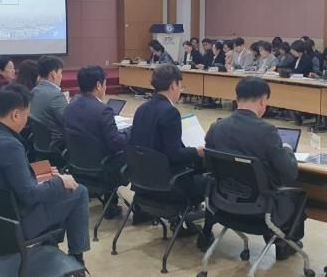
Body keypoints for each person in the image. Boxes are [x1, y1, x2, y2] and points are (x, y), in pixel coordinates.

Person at [0, 84, 92, 277]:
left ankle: (54, 249)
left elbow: (5, 175)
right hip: (16, 226)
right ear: (15, 114)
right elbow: (30, 196)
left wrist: (40, 174)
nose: (28, 120)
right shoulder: (10, 145)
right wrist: (59, 182)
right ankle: (76, 263)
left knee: (55, 187)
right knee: (78, 192)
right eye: (27, 115)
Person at [205, 77, 304, 259]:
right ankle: (283, 243)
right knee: (298, 195)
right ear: (263, 101)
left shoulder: (216, 128)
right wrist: (287, 151)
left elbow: (209, 166)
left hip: (223, 203)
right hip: (259, 209)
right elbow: (290, 173)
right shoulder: (267, 132)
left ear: (236, 98)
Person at [130, 64, 213, 240]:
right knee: (210, 180)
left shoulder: (142, 109)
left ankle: (182, 220)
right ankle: (205, 233)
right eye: (181, 86)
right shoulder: (170, 112)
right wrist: (197, 152)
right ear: (173, 85)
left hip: (143, 181)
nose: (181, 90)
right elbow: (174, 154)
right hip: (168, 184)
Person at [64, 66, 128, 217]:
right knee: (133, 153)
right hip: (101, 169)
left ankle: (111, 204)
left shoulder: (70, 107)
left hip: (75, 164)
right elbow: (116, 144)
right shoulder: (103, 110)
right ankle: (139, 209)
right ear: (99, 85)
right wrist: (129, 133)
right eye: (105, 84)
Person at [30, 55, 67, 146]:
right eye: (60, 73)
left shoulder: (34, 91)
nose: (61, 76)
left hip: (39, 142)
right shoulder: (56, 96)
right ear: (53, 74)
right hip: (57, 144)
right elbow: (69, 122)